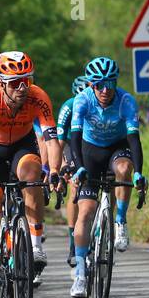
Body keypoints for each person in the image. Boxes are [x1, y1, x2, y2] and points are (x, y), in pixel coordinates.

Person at [0, 51, 60, 298]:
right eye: (14, 82)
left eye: (26, 80)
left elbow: (51, 139)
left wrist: (53, 169)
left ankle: (35, 244)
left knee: (33, 175)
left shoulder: (38, 97)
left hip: (22, 144)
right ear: (0, 83)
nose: (22, 88)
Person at [65, 58, 147, 298]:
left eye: (109, 83)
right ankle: (80, 271)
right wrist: (79, 168)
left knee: (123, 169)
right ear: (91, 85)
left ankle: (120, 221)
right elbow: (75, 139)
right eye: (99, 84)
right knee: (86, 211)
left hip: (117, 148)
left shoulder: (126, 101)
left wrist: (139, 171)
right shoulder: (82, 100)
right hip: (90, 152)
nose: (105, 89)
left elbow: (134, 140)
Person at [55, 75, 90, 274]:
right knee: (75, 185)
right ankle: (72, 240)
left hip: (91, 142)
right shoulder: (68, 106)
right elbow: (59, 141)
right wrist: (60, 167)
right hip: (70, 143)